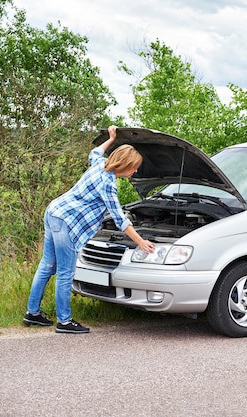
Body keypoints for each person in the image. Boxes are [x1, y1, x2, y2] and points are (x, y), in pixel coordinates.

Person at [23, 125, 155, 333]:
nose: (136, 171)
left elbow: (94, 152)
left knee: (47, 266)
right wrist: (141, 242)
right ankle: (64, 322)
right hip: (66, 221)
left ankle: (32, 313)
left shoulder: (101, 164)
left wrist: (111, 139)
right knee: (66, 272)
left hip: (54, 211)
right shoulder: (108, 184)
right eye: (134, 166)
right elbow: (120, 218)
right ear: (125, 164)